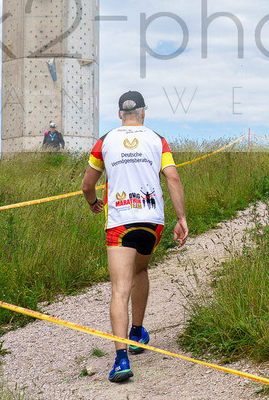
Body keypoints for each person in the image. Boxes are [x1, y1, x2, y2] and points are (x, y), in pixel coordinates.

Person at [81, 91, 188, 384]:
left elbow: (87, 185)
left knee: (120, 288)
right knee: (140, 270)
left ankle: (121, 359)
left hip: (120, 221)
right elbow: (173, 177)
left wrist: (92, 203)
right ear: (143, 112)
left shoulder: (105, 140)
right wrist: (181, 218)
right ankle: (138, 333)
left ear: (120, 114)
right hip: (152, 221)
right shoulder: (157, 139)